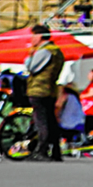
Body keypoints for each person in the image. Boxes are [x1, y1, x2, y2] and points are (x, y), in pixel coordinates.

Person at [22, 25, 65, 161]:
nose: (32, 39)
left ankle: (42, 150)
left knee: (41, 121)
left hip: (39, 89)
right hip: (50, 89)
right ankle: (55, 151)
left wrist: (29, 56)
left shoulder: (44, 51)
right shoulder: (56, 51)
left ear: (40, 36)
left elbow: (32, 68)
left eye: (33, 36)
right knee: (50, 121)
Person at [57, 84, 85, 153]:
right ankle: (70, 145)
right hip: (79, 123)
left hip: (67, 124)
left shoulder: (65, 96)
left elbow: (58, 107)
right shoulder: (75, 97)